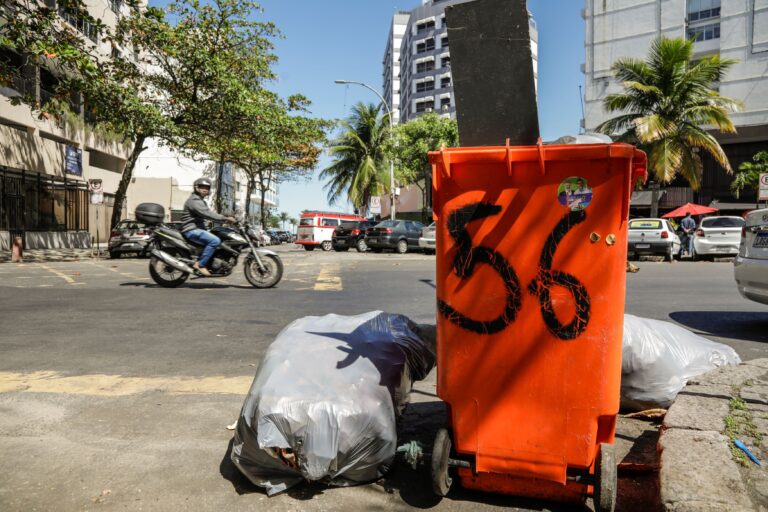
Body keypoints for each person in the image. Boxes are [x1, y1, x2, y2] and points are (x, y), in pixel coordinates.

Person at [181, 178, 235, 277]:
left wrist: (228, 217)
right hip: (191, 230)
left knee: (219, 237)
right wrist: (225, 219)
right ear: (197, 188)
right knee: (215, 241)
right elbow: (207, 214)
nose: (205, 189)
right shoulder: (194, 201)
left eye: (207, 187)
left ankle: (211, 262)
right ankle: (200, 265)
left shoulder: (200, 201)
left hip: (198, 229)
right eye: (202, 187)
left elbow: (208, 214)